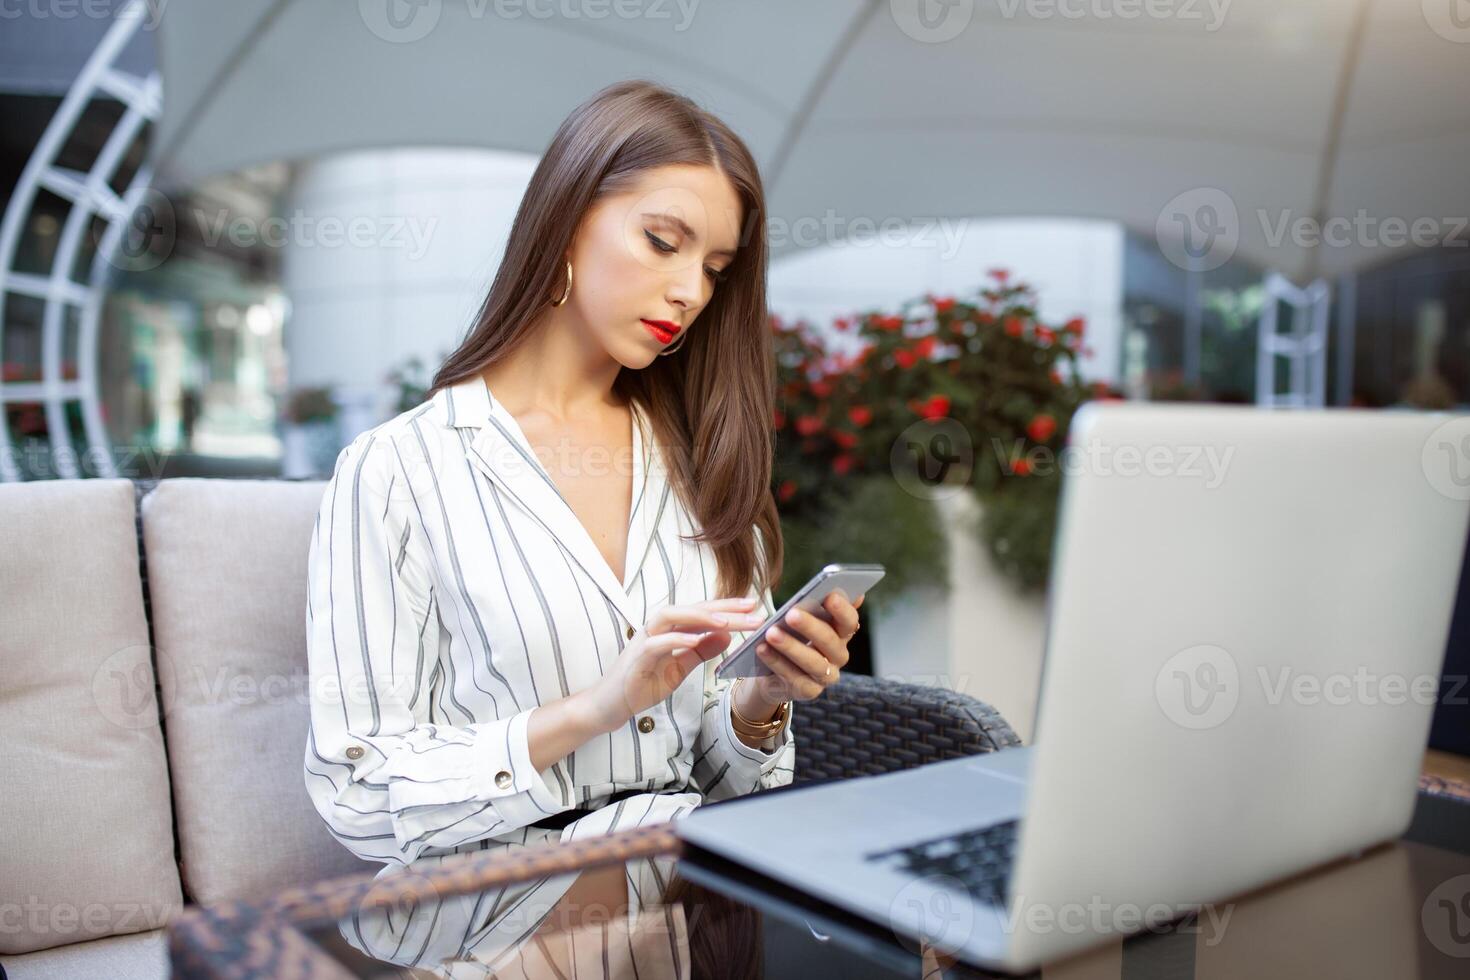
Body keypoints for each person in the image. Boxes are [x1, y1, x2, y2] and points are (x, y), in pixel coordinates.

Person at [303, 79, 865, 970]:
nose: (688, 291)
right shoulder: (401, 469)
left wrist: (760, 704)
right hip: (489, 915)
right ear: (567, 220)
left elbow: (721, 781)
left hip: (687, 895)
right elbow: (358, 792)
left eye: (715, 270)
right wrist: (592, 711)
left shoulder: (700, 466)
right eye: (662, 241)